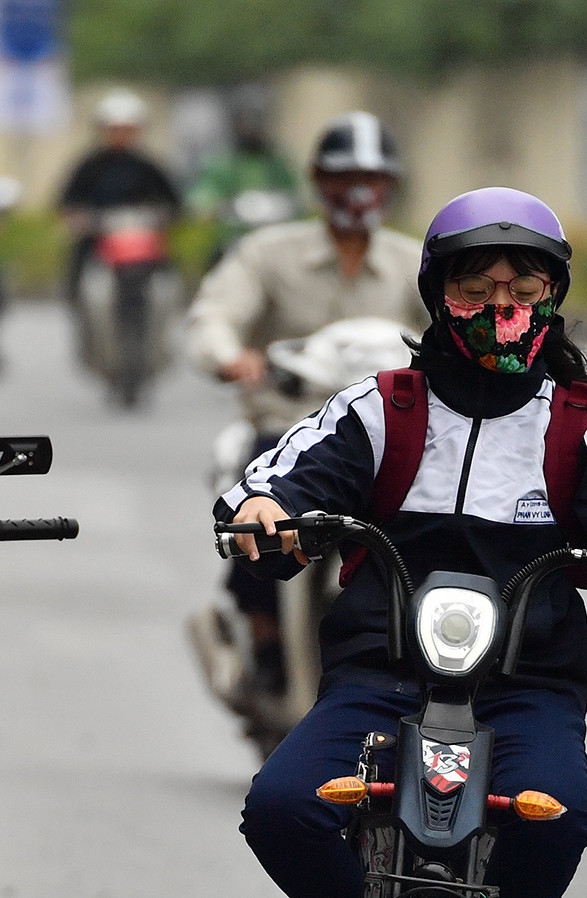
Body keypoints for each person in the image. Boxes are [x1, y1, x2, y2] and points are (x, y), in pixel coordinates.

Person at [219, 188, 587, 898]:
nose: (501, 310)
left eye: (524, 293)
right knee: (281, 807)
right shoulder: (381, 409)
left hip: (527, 689)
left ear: (552, 301)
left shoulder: (586, 429)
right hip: (382, 678)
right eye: (476, 289)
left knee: (557, 816)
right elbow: (274, 478)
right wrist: (263, 510)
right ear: (434, 296)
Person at [187, 111, 429, 694]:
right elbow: (216, 315)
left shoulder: (415, 263)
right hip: (286, 427)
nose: (358, 190)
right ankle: (264, 635)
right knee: (258, 518)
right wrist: (230, 356)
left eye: (372, 177)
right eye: (343, 176)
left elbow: (451, 327)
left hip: (388, 439)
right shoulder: (266, 254)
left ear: (391, 186)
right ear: (317, 181)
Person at [57, 89, 181, 293]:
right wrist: (78, 218)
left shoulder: (148, 166)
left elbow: (172, 201)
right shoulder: (89, 166)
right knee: (79, 263)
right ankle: (79, 305)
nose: (121, 135)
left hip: (140, 235)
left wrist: (164, 216)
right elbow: (67, 200)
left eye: (127, 129)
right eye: (114, 129)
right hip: (99, 237)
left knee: (167, 265)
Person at [186, 85, 301, 258]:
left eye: (258, 120)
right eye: (246, 121)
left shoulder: (277, 162)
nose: (253, 128)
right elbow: (202, 201)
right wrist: (221, 208)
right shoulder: (221, 163)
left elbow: (296, 195)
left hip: (275, 241)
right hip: (233, 244)